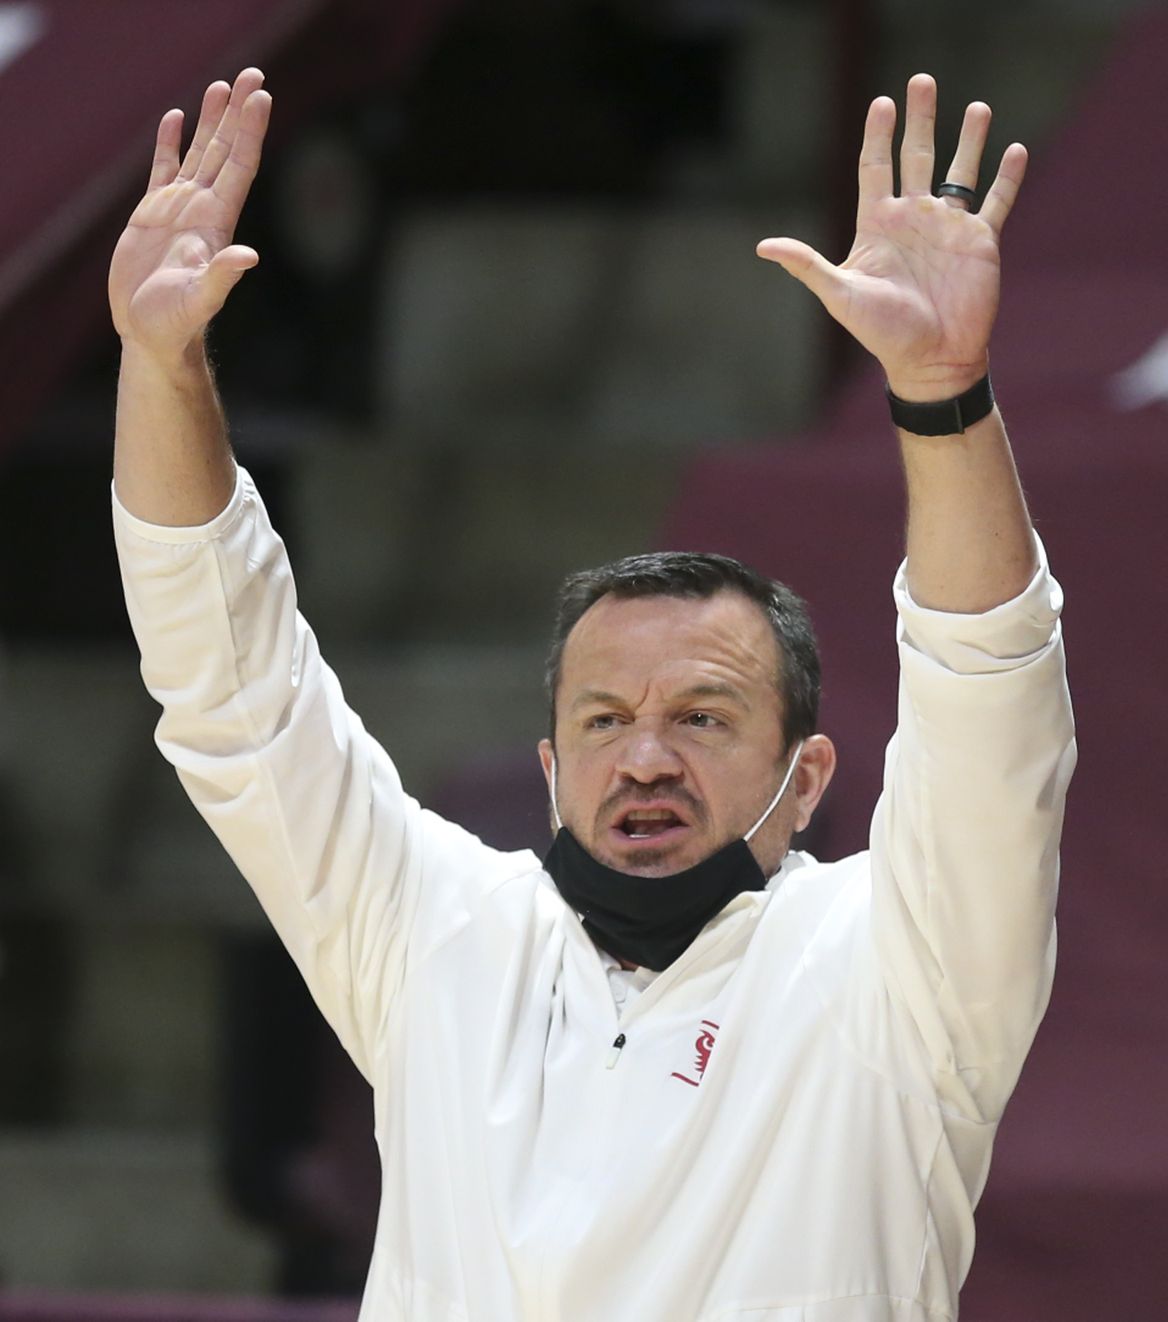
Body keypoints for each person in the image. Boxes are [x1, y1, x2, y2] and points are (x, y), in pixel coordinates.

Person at [110, 67, 1075, 1322]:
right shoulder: (439, 939)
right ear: (553, 769)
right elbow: (232, 691)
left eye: (705, 716)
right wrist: (159, 360)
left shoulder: (905, 973)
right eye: (604, 721)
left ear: (812, 776)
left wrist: (943, 396)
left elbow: (993, 701)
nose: (647, 757)